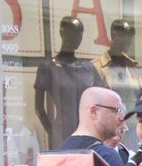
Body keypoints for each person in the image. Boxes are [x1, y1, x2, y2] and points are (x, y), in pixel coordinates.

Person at [34, 17, 106, 149]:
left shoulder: (88, 69)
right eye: (73, 32)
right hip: (62, 133)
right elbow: (39, 108)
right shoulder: (48, 67)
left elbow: (103, 100)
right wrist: (51, 132)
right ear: (62, 32)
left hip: (89, 133)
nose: (77, 37)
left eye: (80, 33)